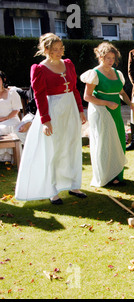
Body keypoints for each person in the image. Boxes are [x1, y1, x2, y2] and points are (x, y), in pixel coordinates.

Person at [15, 33, 87, 204]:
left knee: (71, 146)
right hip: (53, 110)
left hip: (70, 108)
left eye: (61, 48)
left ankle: (73, 184)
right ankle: (52, 190)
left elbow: (75, 89)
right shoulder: (39, 69)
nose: (60, 52)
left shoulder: (68, 64)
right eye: (55, 49)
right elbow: (39, 95)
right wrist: (46, 120)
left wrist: (80, 110)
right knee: (52, 150)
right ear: (46, 50)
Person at [81, 42, 134, 187]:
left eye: (113, 58)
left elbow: (122, 92)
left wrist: (130, 103)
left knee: (119, 141)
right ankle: (106, 177)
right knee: (105, 143)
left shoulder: (117, 73)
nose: (111, 61)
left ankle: (117, 175)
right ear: (100, 57)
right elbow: (87, 97)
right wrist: (107, 103)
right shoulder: (94, 73)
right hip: (101, 111)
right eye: (108, 58)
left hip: (115, 110)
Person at [0, 71, 22, 162]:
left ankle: (8, 157)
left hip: (11, 120)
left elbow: (16, 110)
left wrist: (5, 118)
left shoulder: (12, 92)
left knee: (1, 129)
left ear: (3, 80)